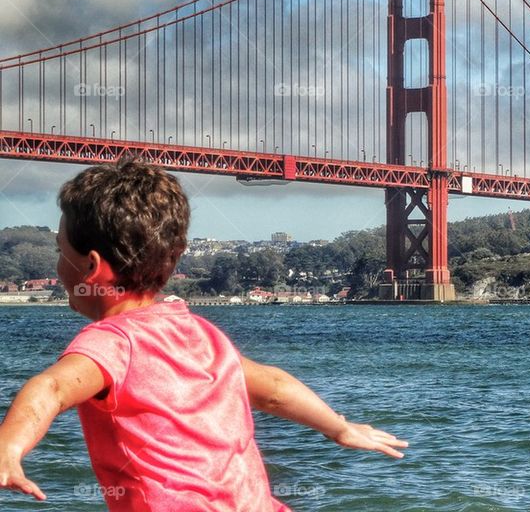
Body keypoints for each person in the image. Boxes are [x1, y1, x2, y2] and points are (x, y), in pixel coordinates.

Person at [0, 158, 408, 510]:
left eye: (59, 251)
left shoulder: (111, 342)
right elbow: (274, 387)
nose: (56, 264)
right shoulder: (198, 332)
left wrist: (9, 447)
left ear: (91, 267)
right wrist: (339, 427)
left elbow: (51, 389)